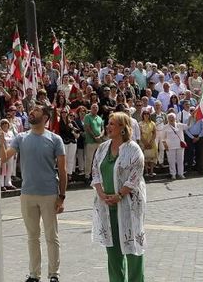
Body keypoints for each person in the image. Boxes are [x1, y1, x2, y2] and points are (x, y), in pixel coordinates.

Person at [0, 107, 67, 282]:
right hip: (27, 193)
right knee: (32, 237)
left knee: (51, 236)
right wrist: (0, 141)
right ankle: (34, 274)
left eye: (36, 111)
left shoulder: (55, 139)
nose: (32, 113)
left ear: (45, 117)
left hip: (49, 194)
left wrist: (62, 196)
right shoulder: (20, 137)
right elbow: (5, 157)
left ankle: (54, 274)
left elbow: (63, 169)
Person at [91, 111, 146, 282]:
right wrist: (101, 193)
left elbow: (135, 176)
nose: (108, 126)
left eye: (112, 124)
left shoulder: (133, 149)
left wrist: (119, 195)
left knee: (132, 248)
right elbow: (95, 171)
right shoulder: (102, 148)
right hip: (107, 206)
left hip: (128, 206)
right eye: (108, 123)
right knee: (113, 251)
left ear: (123, 128)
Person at [161, 112, 187, 179]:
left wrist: (192, 117)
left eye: (172, 117)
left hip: (180, 145)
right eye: (169, 118)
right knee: (171, 160)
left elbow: (188, 126)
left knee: (180, 160)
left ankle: (180, 174)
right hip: (170, 146)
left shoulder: (179, 125)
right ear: (167, 119)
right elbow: (162, 138)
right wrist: (165, 145)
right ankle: (173, 174)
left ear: (175, 118)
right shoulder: (165, 127)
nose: (171, 119)